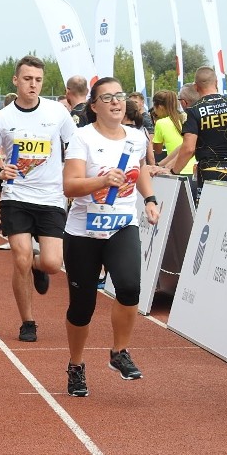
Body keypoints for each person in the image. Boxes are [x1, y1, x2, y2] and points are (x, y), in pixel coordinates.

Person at [62, 77, 160, 396]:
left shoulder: (135, 136)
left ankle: (119, 352)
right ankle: (76, 365)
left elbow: (140, 170)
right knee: (82, 306)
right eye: (108, 98)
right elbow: (71, 186)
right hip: (83, 233)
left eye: (120, 96)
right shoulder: (82, 138)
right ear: (94, 106)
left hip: (122, 226)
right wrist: (101, 181)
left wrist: (149, 199)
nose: (117, 102)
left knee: (130, 286)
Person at [0, 55, 75, 342]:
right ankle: (28, 322)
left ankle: (37, 264)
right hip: (16, 197)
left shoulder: (58, 113)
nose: (33, 85)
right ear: (16, 80)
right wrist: (0, 170)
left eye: (38, 80)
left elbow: (76, 148)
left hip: (51, 197)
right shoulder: (3, 118)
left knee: (54, 264)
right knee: (19, 258)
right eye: (28, 79)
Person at [172, 67, 227, 203]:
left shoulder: (193, 111)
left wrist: (173, 172)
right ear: (216, 82)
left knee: (208, 219)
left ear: (195, 87)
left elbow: (188, 148)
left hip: (209, 171)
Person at [151, 90, 193, 177]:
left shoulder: (161, 123)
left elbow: (157, 150)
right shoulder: (187, 118)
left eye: (154, 107)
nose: (154, 111)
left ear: (160, 107)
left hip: (174, 169)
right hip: (192, 168)